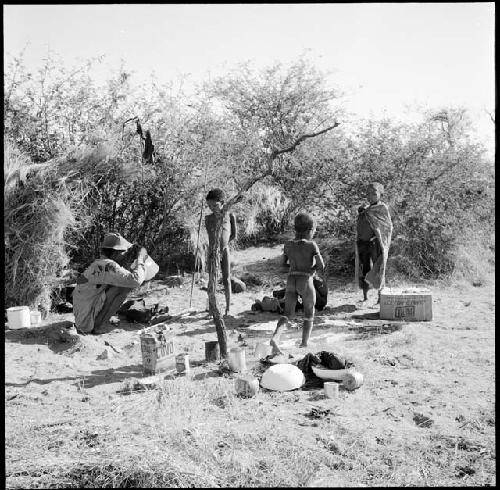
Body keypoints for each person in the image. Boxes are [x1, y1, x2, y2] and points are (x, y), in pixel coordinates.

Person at [270, 212, 326, 353]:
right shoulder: (311, 245)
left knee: (287, 314)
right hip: (305, 281)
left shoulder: (288, 245)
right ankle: (304, 343)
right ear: (309, 230)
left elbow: (282, 266)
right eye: (313, 231)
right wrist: (310, 270)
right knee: (309, 314)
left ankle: (276, 337)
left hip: (291, 280)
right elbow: (321, 266)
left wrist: (294, 269)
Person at [72, 233, 148, 334]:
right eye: (124, 252)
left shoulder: (100, 263)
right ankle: (98, 326)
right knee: (122, 287)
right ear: (116, 253)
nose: (125, 254)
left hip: (83, 316)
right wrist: (140, 259)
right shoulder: (107, 265)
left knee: (121, 282)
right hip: (85, 322)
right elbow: (135, 280)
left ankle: (100, 319)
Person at [356, 182, 393, 303]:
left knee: (379, 268)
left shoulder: (382, 208)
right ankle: (365, 296)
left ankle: (380, 297)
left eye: (374, 193)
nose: (370, 196)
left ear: (380, 194)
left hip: (375, 244)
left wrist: (381, 240)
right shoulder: (366, 209)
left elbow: (387, 227)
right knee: (364, 269)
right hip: (363, 244)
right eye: (368, 193)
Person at [204, 188, 237, 316]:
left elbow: (233, 234)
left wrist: (225, 244)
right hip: (213, 252)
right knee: (212, 280)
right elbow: (212, 236)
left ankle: (228, 308)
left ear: (223, 202)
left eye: (215, 205)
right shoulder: (208, 219)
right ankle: (212, 308)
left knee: (227, 279)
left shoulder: (230, 216)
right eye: (209, 206)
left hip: (225, 251)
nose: (212, 208)